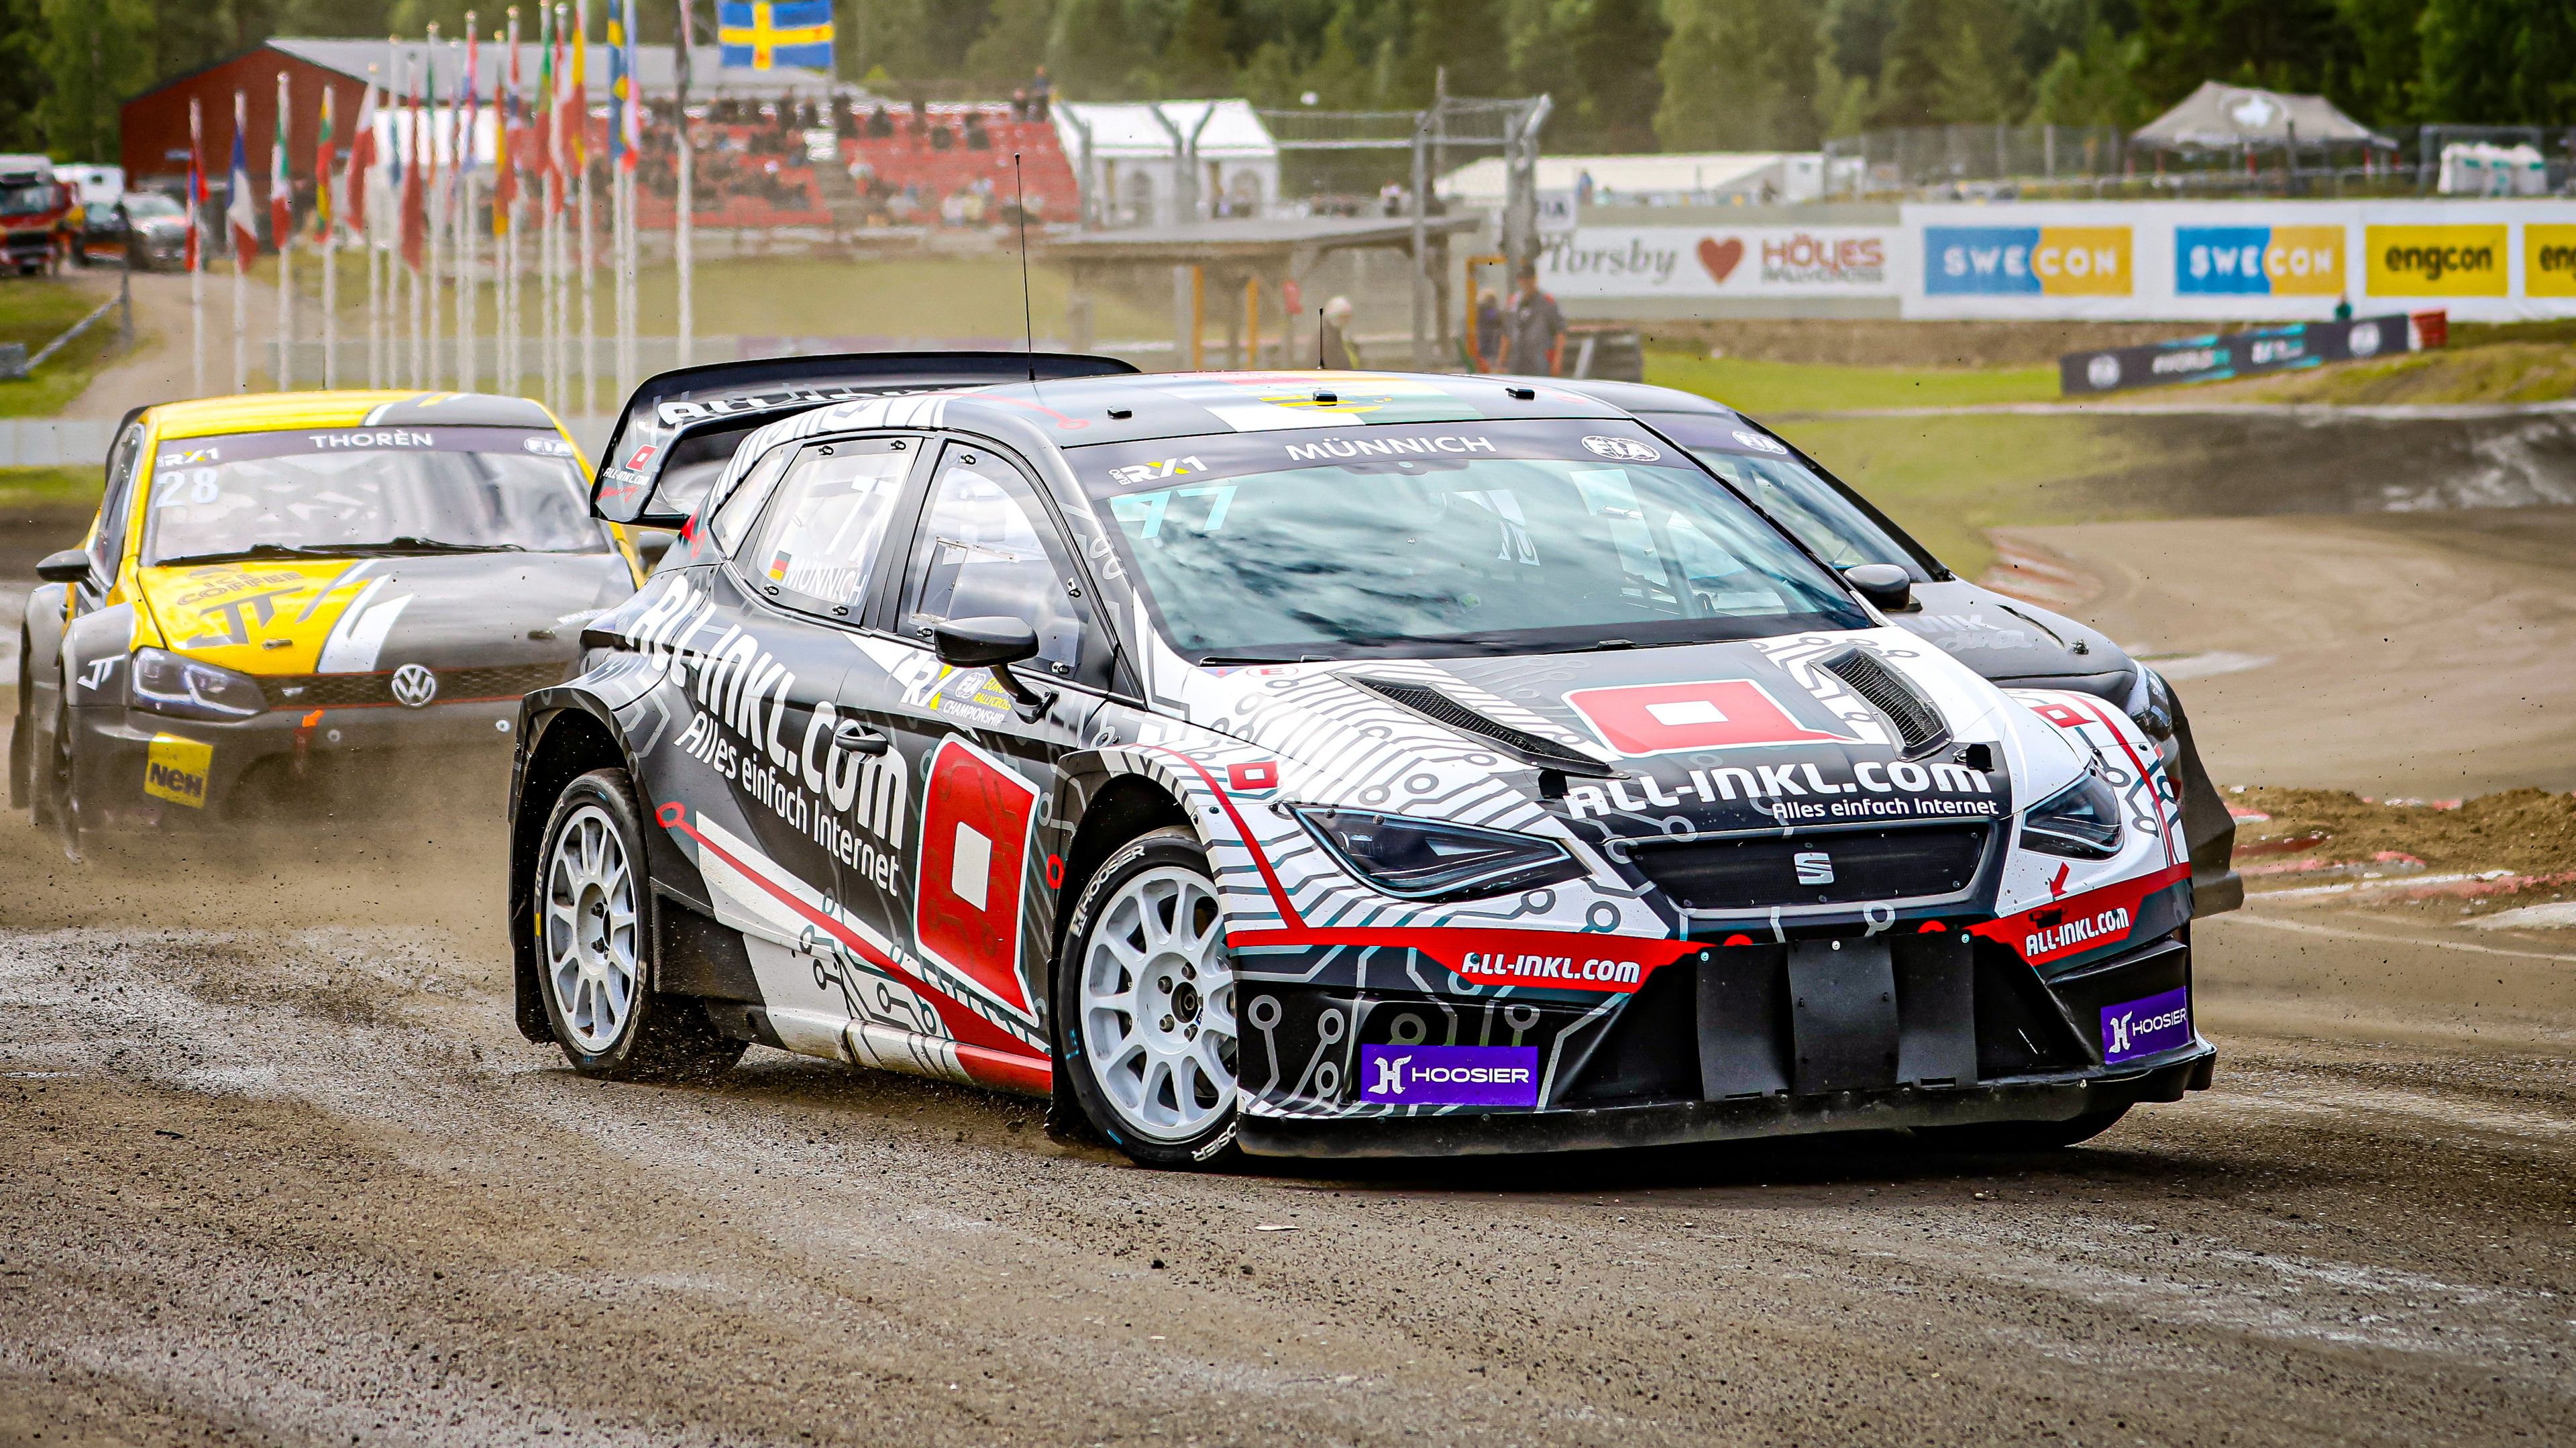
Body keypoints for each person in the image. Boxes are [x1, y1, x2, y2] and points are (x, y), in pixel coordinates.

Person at [1501, 263, 1564, 376]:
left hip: (1539, 360)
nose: (1525, 282)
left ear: (1534, 279)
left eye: (1528, 278)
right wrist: (1502, 360)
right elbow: (1507, 333)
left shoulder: (1547, 303)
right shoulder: (1513, 302)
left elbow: (1559, 332)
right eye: (1522, 278)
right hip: (1516, 359)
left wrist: (1557, 360)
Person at [1319, 295, 1360, 370]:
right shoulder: (1325, 340)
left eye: (1348, 317)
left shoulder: (1342, 336)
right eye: (1343, 317)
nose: (1346, 321)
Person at [1472, 289, 1503, 371]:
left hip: (1483, 337)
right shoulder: (1490, 310)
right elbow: (1495, 318)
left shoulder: (1479, 309)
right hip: (1490, 339)